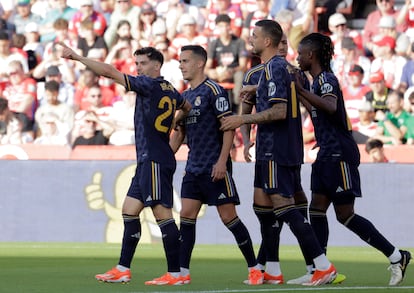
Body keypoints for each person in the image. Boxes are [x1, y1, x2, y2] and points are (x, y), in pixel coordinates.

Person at [60, 43, 192, 285]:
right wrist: (175, 128)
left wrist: (77, 57)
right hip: (150, 159)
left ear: (157, 65)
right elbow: (186, 107)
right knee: (129, 209)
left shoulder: (148, 85)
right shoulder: (171, 89)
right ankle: (123, 268)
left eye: (143, 63)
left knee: (163, 215)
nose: (138, 68)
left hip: (153, 159)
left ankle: (176, 274)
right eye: (137, 63)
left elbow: (109, 71)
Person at [220, 20, 337, 286]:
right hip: (287, 147)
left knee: (284, 209)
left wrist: (242, 121)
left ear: (268, 41)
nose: (250, 39)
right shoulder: (290, 70)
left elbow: (279, 111)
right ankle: (272, 268)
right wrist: (256, 91)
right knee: (264, 205)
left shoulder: (273, 68)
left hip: (276, 148)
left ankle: (322, 265)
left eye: (255, 36)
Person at [294, 32, 411, 286]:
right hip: (326, 152)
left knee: (345, 215)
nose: (298, 57)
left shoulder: (326, 79)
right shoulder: (315, 82)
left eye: (301, 53)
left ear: (311, 55)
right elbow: (316, 109)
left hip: (340, 154)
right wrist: (300, 90)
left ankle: (396, 256)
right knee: (316, 210)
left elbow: (330, 106)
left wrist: (302, 89)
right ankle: (319, 268)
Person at [171, 45, 261, 285]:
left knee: (229, 218)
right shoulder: (186, 97)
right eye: (180, 61)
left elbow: (228, 126)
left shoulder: (214, 91)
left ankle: (254, 268)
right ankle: (182, 272)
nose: (181, 65)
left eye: (185, 61)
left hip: (214, 167)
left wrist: (222, 161)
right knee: (186, 216)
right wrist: (164, 158)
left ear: (200, 63)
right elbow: (179, 134)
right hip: (193, 167)